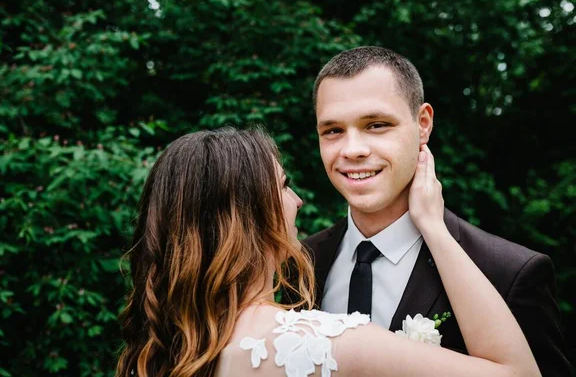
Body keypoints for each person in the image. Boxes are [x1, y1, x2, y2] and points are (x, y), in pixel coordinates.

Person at [115, 127, 540, 377]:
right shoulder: (324, 340)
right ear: (244, 215)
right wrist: (434, 225)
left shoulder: (167, 348)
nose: (297, 200)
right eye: (282, 186)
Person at [306, 46, 571, 375]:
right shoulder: (299, 263)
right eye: (333, 131)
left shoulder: (510, 273)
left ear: (423, 124)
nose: (353, 150)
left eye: (376, 125)